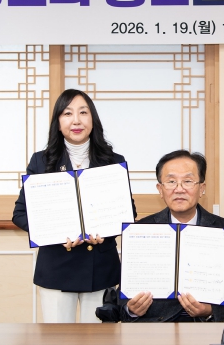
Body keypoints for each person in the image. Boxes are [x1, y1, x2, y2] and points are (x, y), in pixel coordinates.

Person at [13, 89, 136, 323]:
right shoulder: (41, 161)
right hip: (57, 269)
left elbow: (128, 213)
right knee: (58, 343)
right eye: (68, 113)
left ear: (93, 119)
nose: (76, 120)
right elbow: (20, 214)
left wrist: (107, 231)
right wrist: (53, 234)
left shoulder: (113, 161)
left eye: (83, 112)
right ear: (58, 122)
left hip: (101, 268)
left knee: (100, 343)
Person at [119, 150, 224, 322]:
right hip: (154, 326)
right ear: (160, 189)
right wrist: (131, 309)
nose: (179, 189)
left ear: (202, 188)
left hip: (205, 326)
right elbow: (124, 292)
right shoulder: (139, 230)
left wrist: (210, 310)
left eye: (187, 181)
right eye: (171, 181)